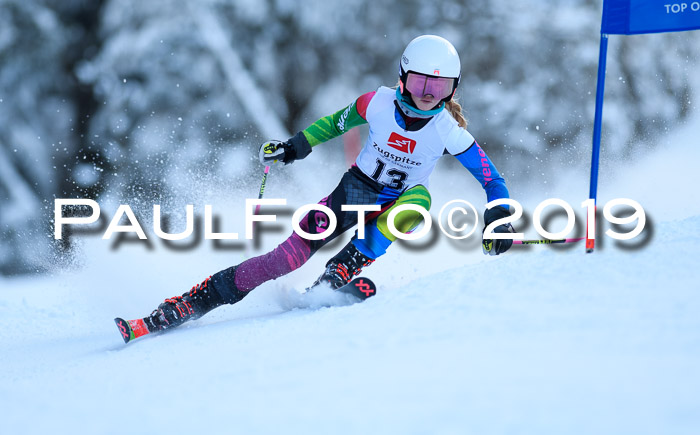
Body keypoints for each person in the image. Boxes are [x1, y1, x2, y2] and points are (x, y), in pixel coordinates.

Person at [139, 35, 515, 333]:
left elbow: (492, 180)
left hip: (402, 197)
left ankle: (342, 268)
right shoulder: (376, 104)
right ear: (402, 77)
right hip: (354, 190)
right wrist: (294, 147)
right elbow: (335, 123)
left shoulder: (449, 131)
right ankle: (199, 298)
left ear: (452, 88)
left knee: (417, 205)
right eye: (420, 82)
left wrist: (498, 218)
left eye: (440, 86)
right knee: (284, 259)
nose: (428, 94)